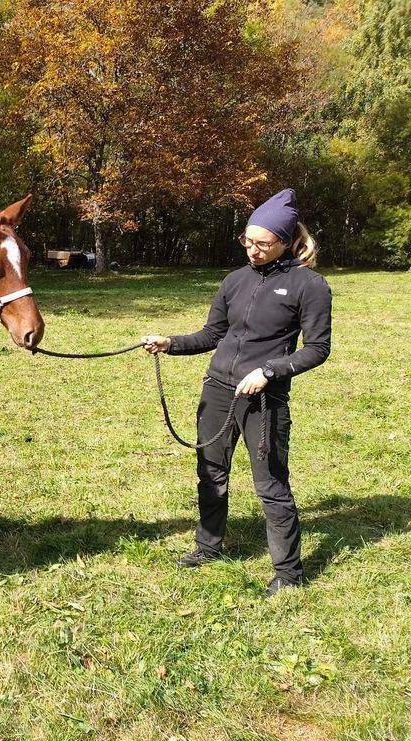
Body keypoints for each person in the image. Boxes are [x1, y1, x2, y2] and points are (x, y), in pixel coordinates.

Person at [142, 188, 332, 597]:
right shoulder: (234, 280)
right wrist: (170, 342)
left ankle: (288, 573)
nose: (253, 250)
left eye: (264, 243)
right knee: (210, 474)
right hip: (218, 390)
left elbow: (318, 349)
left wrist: (269, 371)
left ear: (288, 242)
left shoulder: (309, 285)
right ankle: (208, 546)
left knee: (271, 485)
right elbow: (213, 334)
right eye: (248, 240)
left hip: (264, 400)